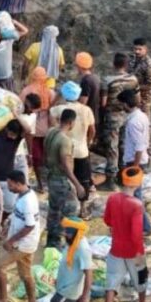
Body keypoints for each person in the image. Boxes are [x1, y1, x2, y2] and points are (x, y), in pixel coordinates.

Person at [31, 217, 96, 302]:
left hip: (68, 292)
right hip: (68, 288)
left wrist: (85, 297)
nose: (65, 234)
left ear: (76, 233)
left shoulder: (82, 249)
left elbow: (89, 274)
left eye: (68, 232)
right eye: (65, 231)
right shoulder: (72, 242)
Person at [102, 166, 149, 302]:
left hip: (116, 248)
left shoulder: (112, 198)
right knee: (141, 280)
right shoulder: (137, 205)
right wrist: (139, 253)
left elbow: (107, 220)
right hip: (133, 251)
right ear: (137, 184)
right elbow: (136, 234)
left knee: (112, 282)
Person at [0, 170, 41, 302]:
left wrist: (11, 241)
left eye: (10, 185)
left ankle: (3, 300)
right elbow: (18, 215)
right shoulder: (23, 195)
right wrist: (7, 225)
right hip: (26, 242)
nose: (9, 188)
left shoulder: (28, 202)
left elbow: (30, 225)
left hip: (24, 244)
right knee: (25, 274)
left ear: (18, 184)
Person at [98, 53, 139, 187]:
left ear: (114, 64)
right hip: (127, 116)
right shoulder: (133, 79)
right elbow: (137, 99)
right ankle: (123, 176)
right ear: (126, 65)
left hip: (113, 116)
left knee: (112, 148)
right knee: (124, 146)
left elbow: (103, 103)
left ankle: (110, 180)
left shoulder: (107, 80)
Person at [44, 107, 84, 248]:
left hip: (51, 176)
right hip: (61, 180)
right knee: (70, 209)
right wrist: (77, 185)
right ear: (71, 122)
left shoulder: (51, 132)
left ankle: (51, 241)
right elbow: (66, 165)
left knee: (53, 210)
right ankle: (64, 241)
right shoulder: (65, 140)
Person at [54, 81, 95, 216]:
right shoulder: (86, 110)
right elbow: (92, 130)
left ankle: (64, 208)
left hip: (64, 151)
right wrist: (88, 142)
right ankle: (83, 209)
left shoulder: (58, 110)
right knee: (84, 179)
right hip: (82, 150)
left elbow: (53, 128)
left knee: (65, 179)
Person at [20, 66, 55, 191]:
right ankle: (49, 183)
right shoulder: (50, 92)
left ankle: (40, 184)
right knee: (48, 158)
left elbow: (20, 110)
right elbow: (53, 113)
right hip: (47, 130)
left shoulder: (26, 91)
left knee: (35, 158)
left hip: (31, 130)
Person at [129, 38, 151, 116]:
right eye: (135, 49)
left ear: (145, 49)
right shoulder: (132, 60)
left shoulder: (149, 65)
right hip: (132, 98)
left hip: (144, 100)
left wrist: (135, 87)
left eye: (140, 49)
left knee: (144, 120)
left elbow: (150, 85)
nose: (137, 51)